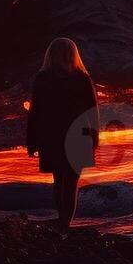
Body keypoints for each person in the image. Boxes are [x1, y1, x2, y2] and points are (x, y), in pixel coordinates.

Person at [25, 38, 99, 232]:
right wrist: (95, 138)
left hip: (51, 136)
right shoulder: (82, 78)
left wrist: (31, 141)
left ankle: (61, 222)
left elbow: (35, 112)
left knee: (59, 181)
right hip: (80, 136)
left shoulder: (42, 78)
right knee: (72, 183)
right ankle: (66, 224)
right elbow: (92, 111)